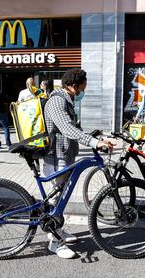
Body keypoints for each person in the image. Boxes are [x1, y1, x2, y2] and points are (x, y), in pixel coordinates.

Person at [43, 68, 114, 259]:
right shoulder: (57, 101)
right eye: (83, 88)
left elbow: (74, 127)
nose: (83, 92)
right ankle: (55, 242)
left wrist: (97, 137)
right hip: (57, 156)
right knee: (58, 199)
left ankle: (56, 230)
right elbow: (66, 129)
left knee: (60, 197)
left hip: (64, 154)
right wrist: (94, 143)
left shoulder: (67, 100)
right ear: (74, 86)